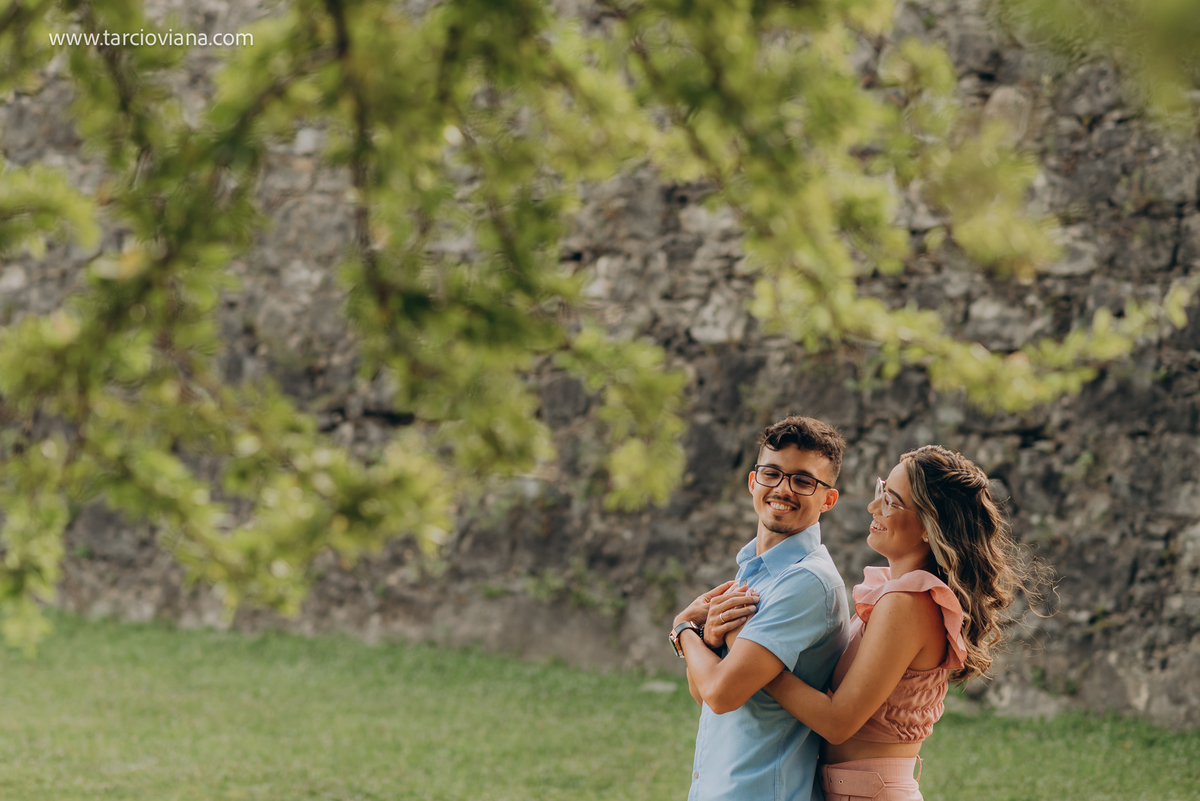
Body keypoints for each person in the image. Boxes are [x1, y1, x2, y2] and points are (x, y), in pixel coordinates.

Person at [753, 445, 1032, 801]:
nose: (873, 508)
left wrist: (759, 661)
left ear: (931, 527)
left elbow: (838, 722)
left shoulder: (909, 603)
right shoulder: (901, 595)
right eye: (881, 492)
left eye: (892, 502)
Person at [669, 415, 851, 801]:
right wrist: (710, 639)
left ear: (828, 499)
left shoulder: (806, 582)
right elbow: (702, 693)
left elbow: (720, 693)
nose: (782, 489)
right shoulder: (754, 570)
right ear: (753, 481)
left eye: (803, 480)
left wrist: (684, 629)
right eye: (772, 473)